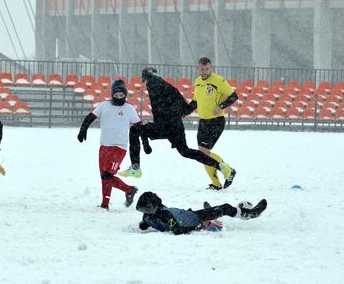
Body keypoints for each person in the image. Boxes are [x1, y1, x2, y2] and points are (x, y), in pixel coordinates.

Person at [119, 67, 236, 189]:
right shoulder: (167, 86)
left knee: (134, 130)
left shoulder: (153, 82)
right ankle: (221, 167)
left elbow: (161, 107)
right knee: (186, 151)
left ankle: (135, 167)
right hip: (176, 125)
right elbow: (182, 104)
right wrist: (179, 113)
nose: (146, 84)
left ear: (147, 78)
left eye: (145, 81)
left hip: (164, 125)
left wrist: (146, 140)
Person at [77, 80, 140, 210]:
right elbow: (90, 117)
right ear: (112, 95)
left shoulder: (130, 109)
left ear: (125, 96)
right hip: (104, 146)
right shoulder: (103, 106)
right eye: (116, 96)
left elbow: (139, 126)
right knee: (104, 177)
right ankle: (125, 192)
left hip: (120, 147)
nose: (118, 98)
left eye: (121, 96)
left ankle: (113, 200)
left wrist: (144, 141)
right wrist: (83, 129)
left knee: (107, 175)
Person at [184, 57, 238, 190]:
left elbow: (233, 96)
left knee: (203, 153)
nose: (205, 71)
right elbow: (196, 101)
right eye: (202, 68)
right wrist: (185, 111)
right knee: (203, 154)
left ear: (211, 68)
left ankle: (228, 171)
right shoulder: (197, 81)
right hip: (203, 121)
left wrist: (221, 106)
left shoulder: (218, 80)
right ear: (198, 68)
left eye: (207, 68)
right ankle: (217, 183)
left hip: (216, 121)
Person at [136, 191, 267, 235]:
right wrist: (198, 226)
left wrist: (144, 224)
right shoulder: (158, 215)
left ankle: (248, 213)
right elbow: (177, 230)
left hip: (189, 216)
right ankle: (246, 213)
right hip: (195, 218)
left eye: (147, 209)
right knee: (225, 207)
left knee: (217, 210)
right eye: (143, 210)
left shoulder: (155, 216)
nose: (145, 213)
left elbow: (144, 224)